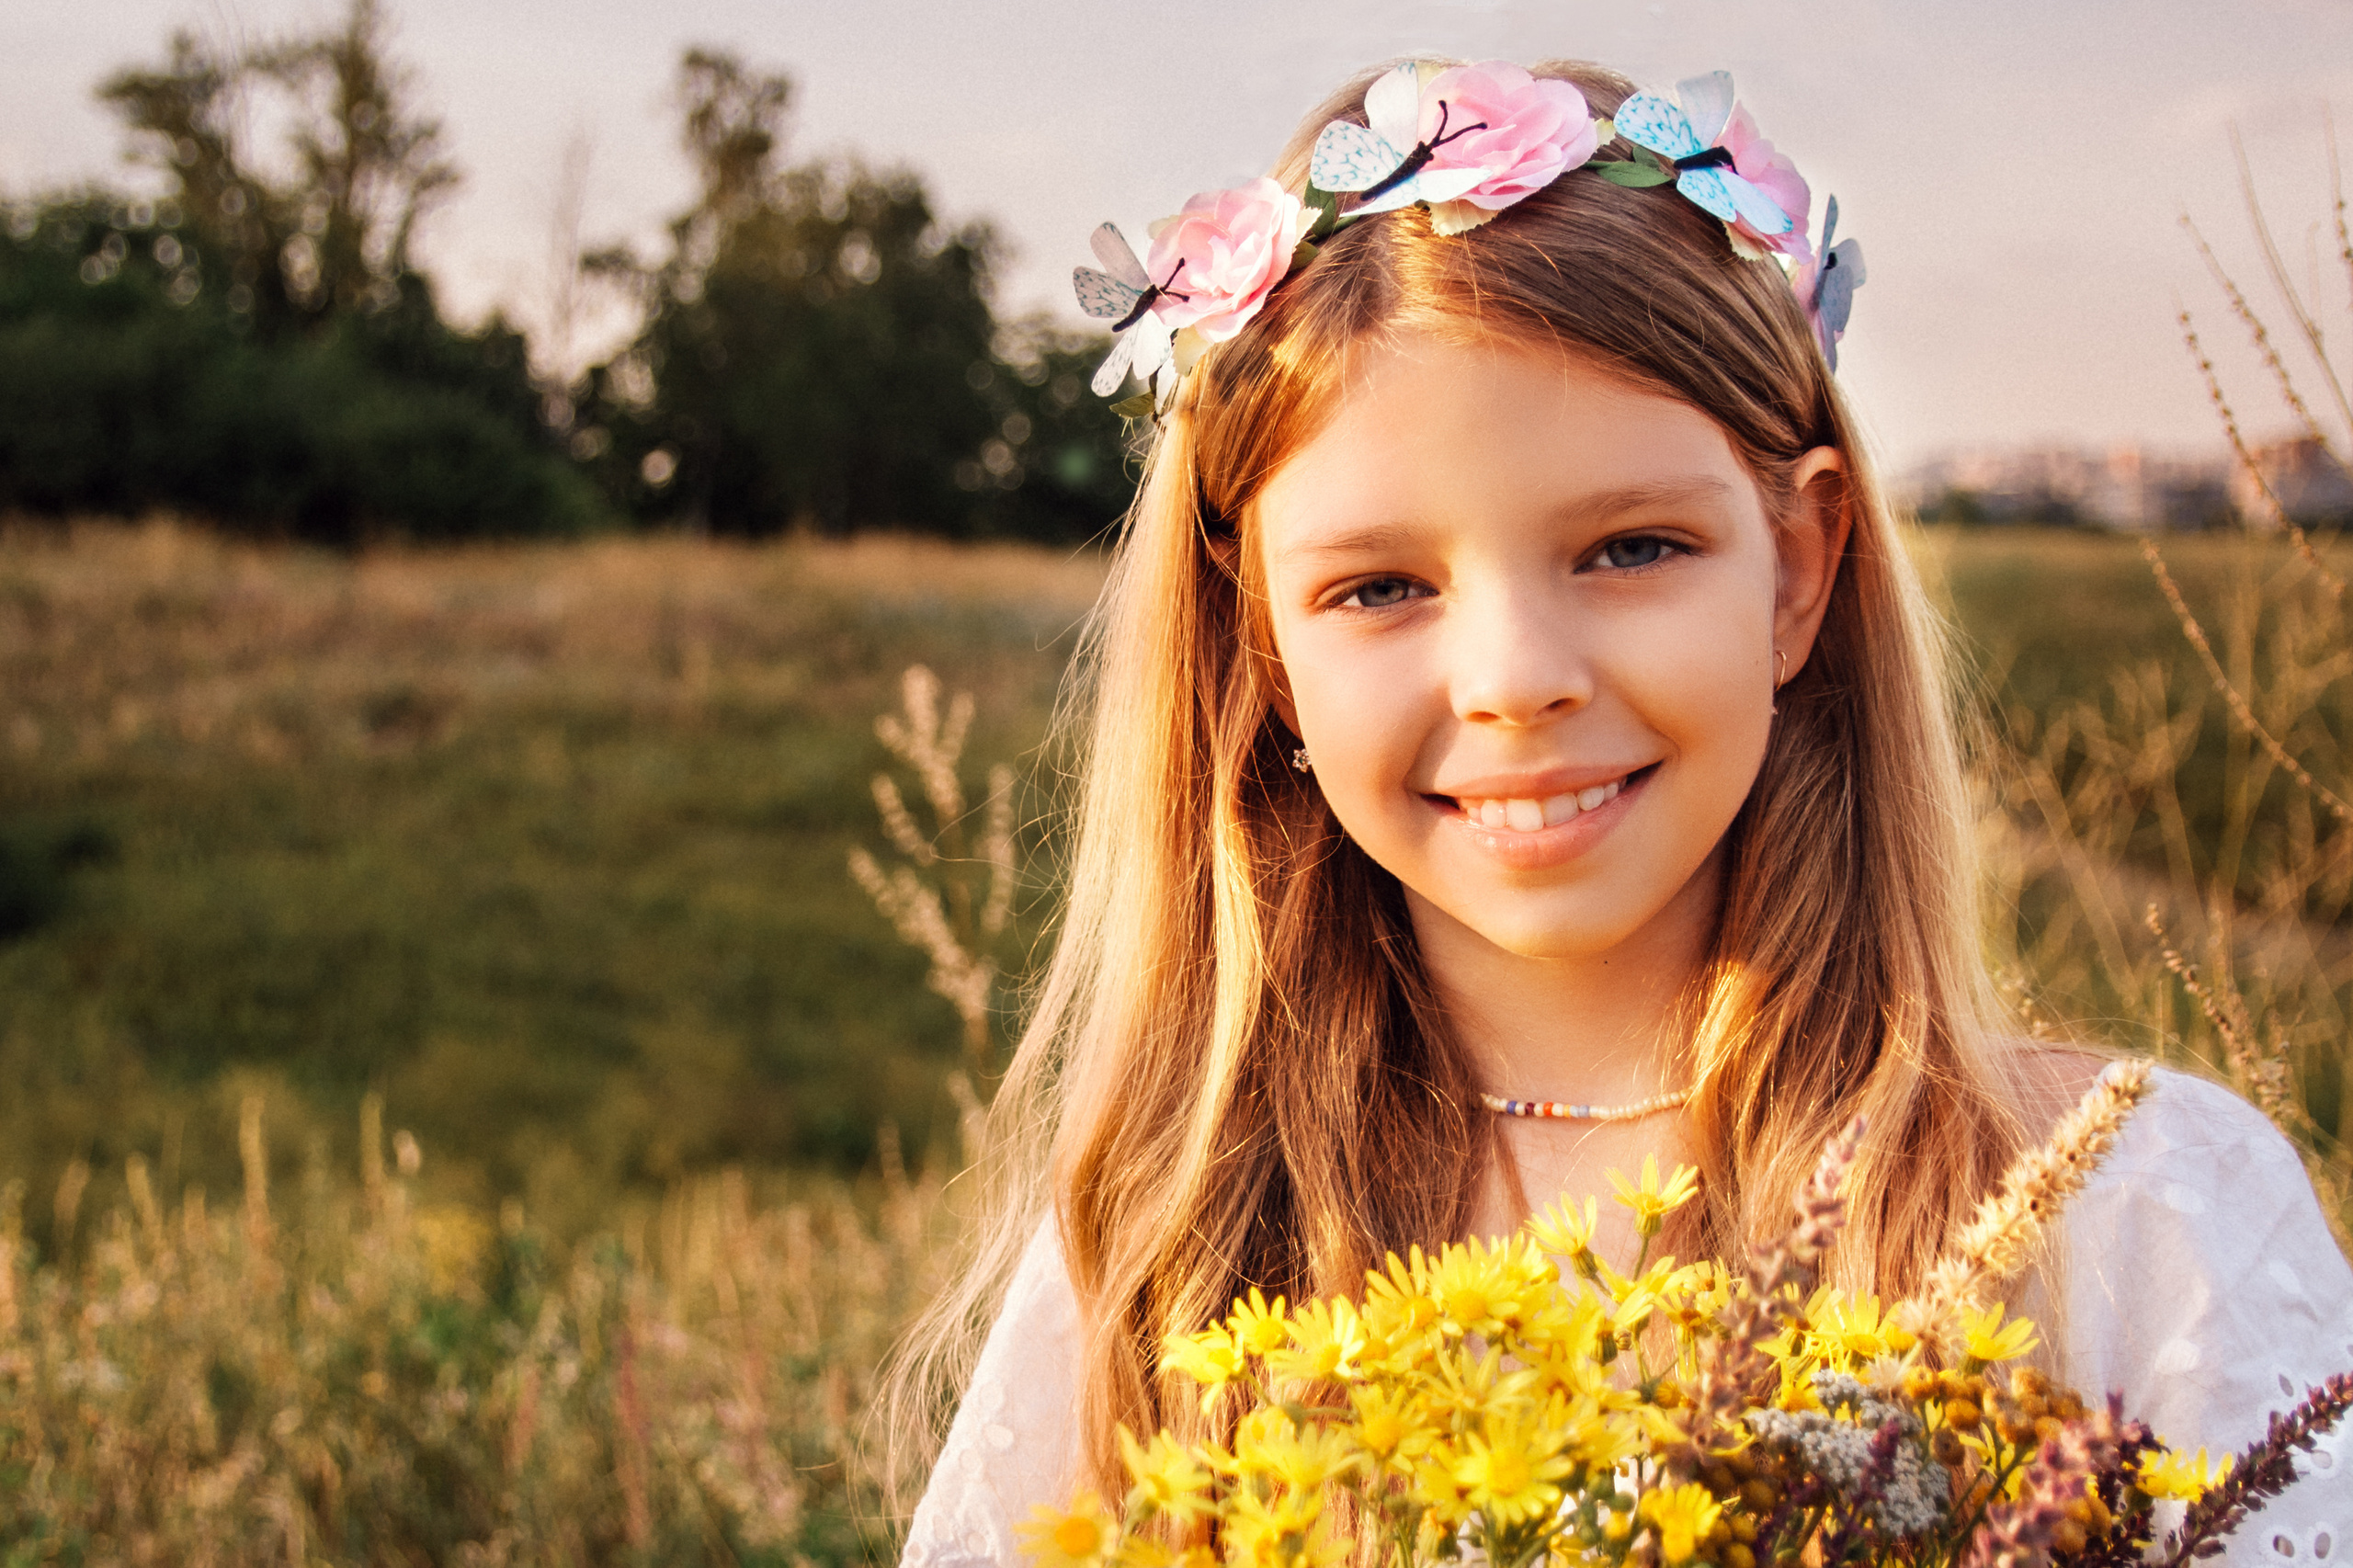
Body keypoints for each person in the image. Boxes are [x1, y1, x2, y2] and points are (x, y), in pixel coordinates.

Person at [890, 57, 2353, 1563]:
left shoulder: (2138, 1226)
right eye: (1380, 586)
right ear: (1259, 645)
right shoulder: (1160, 1268)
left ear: (1795, 571)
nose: (1515, 680)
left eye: (1631, 548)